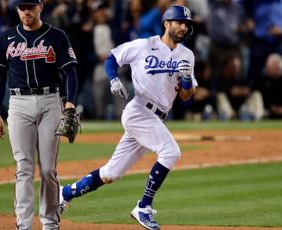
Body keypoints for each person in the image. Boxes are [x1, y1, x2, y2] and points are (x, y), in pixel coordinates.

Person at [59, 5, 197, 230]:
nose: (184, 27)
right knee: (171, 152)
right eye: (179, 22)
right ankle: (143, 207)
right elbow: (112, 58)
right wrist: (113, 78)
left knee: (110, 173)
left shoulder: (187, 55)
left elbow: (186, 97)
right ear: (166, 23)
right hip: (139, 112)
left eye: (187, 24)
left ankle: (64, 193)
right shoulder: (145, 45)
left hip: (156, 117)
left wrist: (188, 79)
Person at [0, 0, 78, 229]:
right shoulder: (7, 39)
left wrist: (70, 103)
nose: (26, 11)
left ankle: (50, 223)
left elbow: (70, 73)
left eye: (30, 6)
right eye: (22, 7)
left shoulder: (56, 36)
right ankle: (24, 225)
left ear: (41, 7)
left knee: (48, 169)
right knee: (24, 167)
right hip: (18, 103)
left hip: (51, 100)